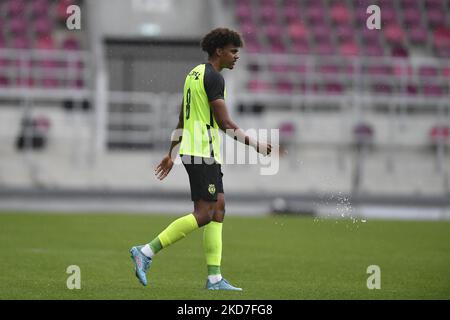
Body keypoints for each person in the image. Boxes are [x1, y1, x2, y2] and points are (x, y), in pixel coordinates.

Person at [130, 27, 272, 291]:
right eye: (233, 51)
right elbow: (225, 122)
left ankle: (215, 279)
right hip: (201, 153)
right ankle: (146, 251)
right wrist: (256, 144)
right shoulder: (215, 79)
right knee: (204, 214)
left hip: (198, 152)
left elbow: (183, 118)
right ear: (219, 51)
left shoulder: (193, 74)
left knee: (218, 208)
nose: (236, 57)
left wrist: (171, 153)